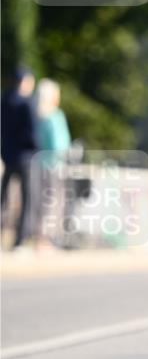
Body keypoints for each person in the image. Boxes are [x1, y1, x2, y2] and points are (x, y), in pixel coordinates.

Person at [1, 65, 37, 248]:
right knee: (26, 199)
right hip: (25, 157)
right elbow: (31, 133)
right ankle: (20, 239)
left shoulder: (4, 101)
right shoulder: (26, 103)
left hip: (8, 156)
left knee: (4, 197)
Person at [35, 78, 71, 246]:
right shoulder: (55, 116)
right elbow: (59, 145)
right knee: (53, 202)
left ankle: (40, 238)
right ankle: (47, 240)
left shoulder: (36, 115)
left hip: (38, 164)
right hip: (55, 165)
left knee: (41, 202)